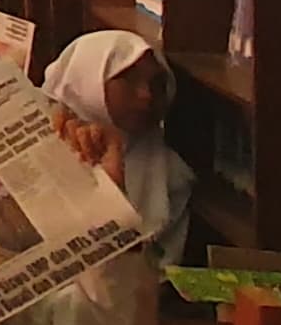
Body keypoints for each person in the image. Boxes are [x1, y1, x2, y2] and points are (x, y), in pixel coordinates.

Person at [46, 29, 192, 262]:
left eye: (156, 84)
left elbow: (158, 278)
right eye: (127, 79)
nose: (146, 95)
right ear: (85, 80)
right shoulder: (41, 134)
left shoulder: (171, 175)